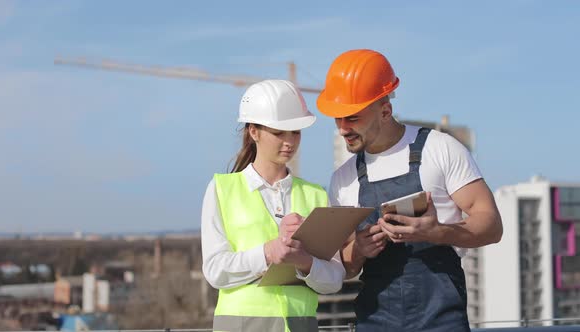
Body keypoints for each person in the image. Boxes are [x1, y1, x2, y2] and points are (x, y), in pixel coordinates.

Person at [316, 49, 503, 332]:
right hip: (375, 319)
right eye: (337, 119)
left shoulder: (439, 149)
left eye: (352, 118)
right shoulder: (343, 178)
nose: (343, 129)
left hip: (442, 319)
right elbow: (345, 266)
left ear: (385, 111)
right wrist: (360, 250)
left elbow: (492, 225)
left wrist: (437, 231)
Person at [201, 79, 345, 332]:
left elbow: (334, 279)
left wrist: (304, 262)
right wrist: (267, 253)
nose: (289, 142)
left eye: (296, 132)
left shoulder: (316, 195)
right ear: (253, 131)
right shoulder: (222, 189)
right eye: (279, 133)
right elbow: (215, 271)